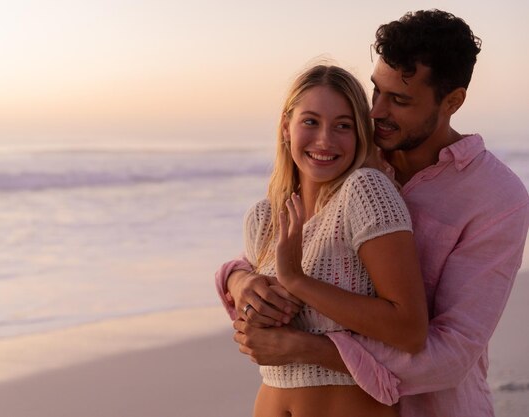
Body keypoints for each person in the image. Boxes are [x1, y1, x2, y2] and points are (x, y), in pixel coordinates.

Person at [216, 9, 529, 417]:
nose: (377, 112)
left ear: (452, 101)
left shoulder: (496, 197)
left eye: (399, 100)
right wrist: (239, 280)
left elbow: (450, 355)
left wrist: (305, 349)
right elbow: (289, 244)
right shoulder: (353, 158)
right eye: (376, 91)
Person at [228, 62, 429, 417]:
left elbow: (410, 329)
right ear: (286, 127)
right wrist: (249, 308)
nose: (325, 140)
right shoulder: (262, 218)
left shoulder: (365, 192)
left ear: (360, 136)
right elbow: (264, 337)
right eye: (310, 121)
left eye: (343, 126)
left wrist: (296, 281)